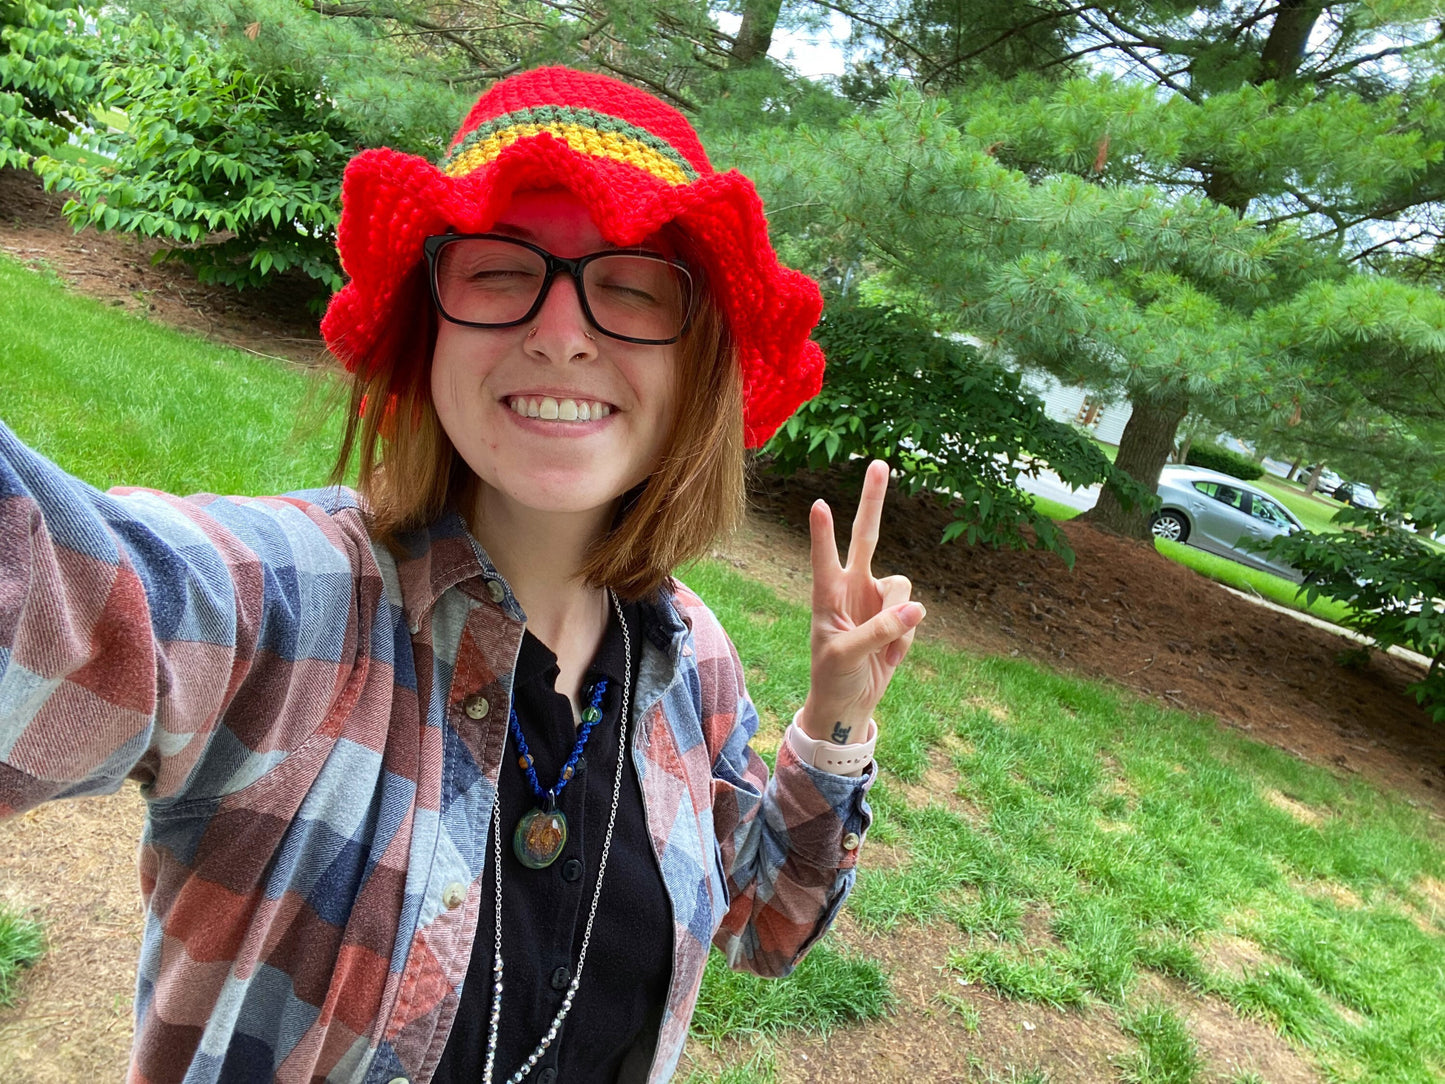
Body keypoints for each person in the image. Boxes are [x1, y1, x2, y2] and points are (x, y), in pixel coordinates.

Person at [0, 66, 924, 1083]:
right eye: (497, 269)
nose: (562, 333)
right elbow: (64, 591)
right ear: (425, 327)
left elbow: (765, 926)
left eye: (629, 284)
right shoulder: (297, 607)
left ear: (694, 367)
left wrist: (834, 723)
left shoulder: (691, 660)